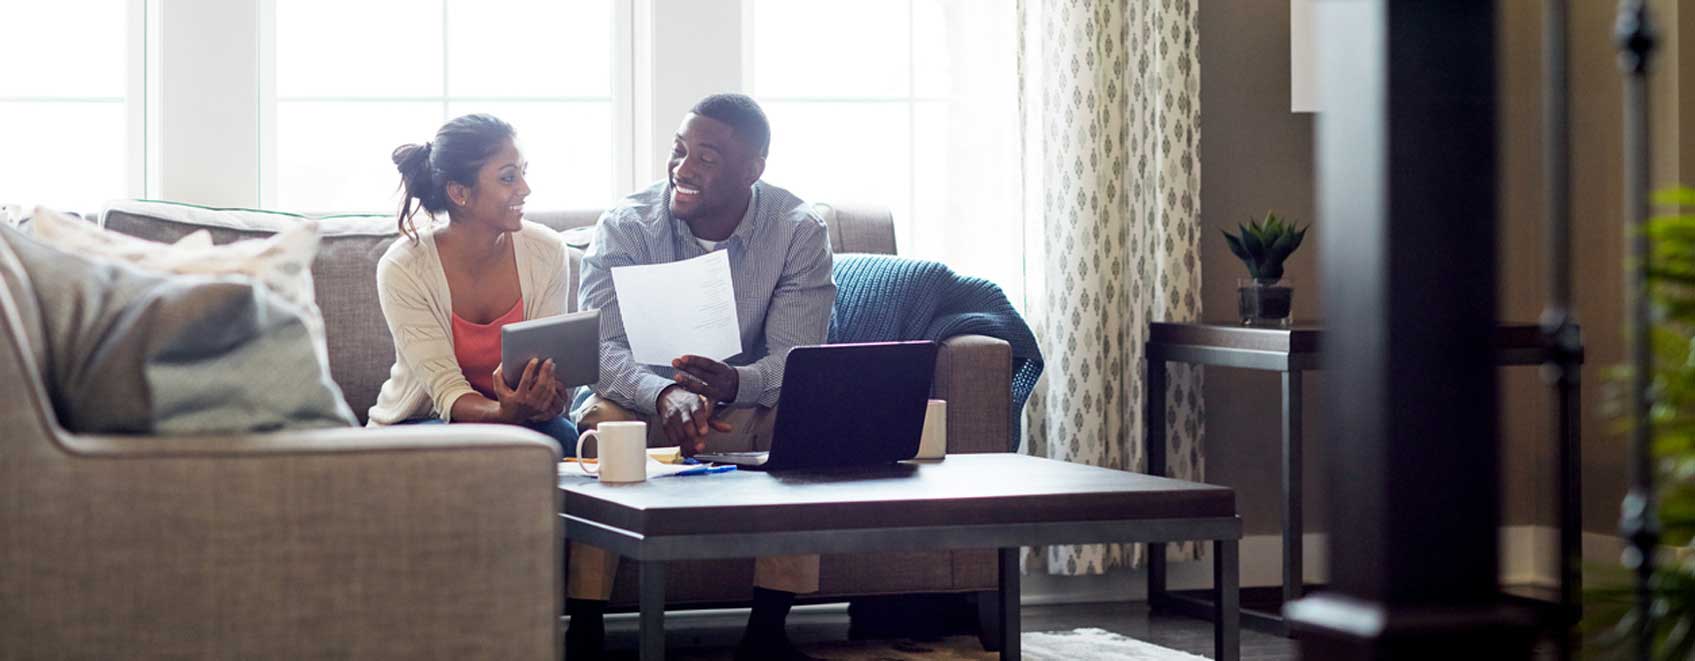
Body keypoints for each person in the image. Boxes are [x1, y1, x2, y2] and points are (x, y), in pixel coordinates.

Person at [567, 93, 836, 660]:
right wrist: (662, 392)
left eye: (706, 158)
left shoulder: (797, 231)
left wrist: (737, 385)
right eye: (679, 150)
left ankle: (766, 633)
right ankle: (586, 630)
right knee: (603, 421)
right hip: (639, 403)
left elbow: (796, 357)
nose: (682, 169)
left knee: (806, 417)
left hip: (736, 407)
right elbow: (601, 349)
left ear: (752, 170)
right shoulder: (627, 225)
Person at [365, 113, 576, 450]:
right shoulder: (404, 267)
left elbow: (544, 371)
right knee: (466, 452)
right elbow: (447, 392)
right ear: (459, 193)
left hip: (514, 424)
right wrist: (504, 414)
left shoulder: (547, 252)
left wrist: (543, 398)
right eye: (508, 178)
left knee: (563, 435)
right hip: (422, 423)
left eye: (523, 172)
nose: (525, 188)